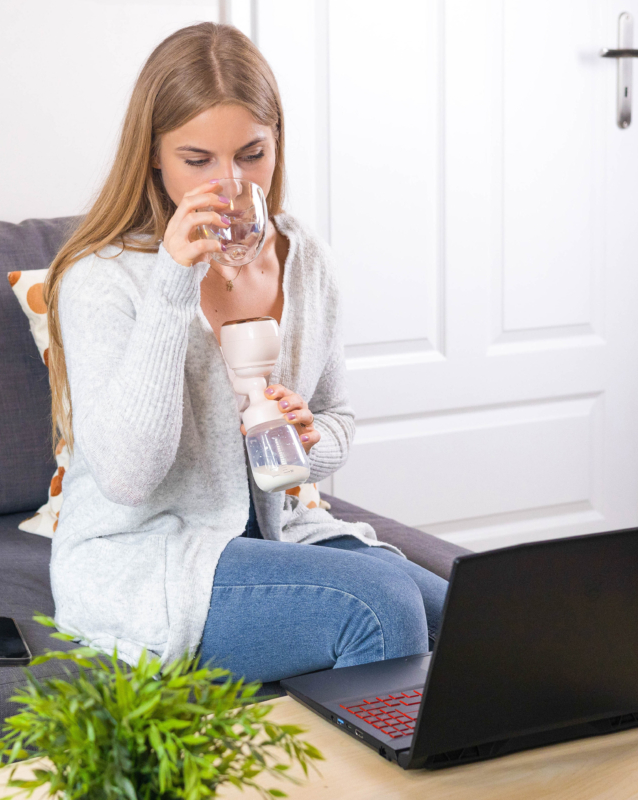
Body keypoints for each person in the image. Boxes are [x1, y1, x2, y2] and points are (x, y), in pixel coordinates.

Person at [43, 22, 446, 684]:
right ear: (154, 155)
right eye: (197, 160)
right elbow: (128, 478)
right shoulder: (102, 279)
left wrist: (304, 441)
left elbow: (336, 419)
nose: (229, 185)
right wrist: (174, 283)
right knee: (378, 606)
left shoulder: (305, 259)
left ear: (277, 142)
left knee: (462, 618)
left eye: (252, 154)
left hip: (278, 536)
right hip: (147, 557)